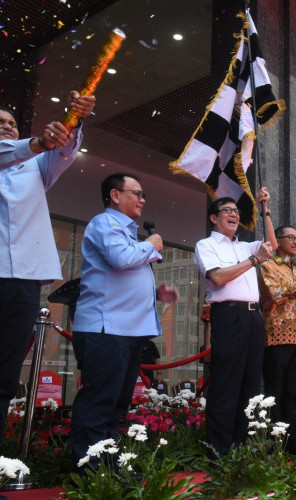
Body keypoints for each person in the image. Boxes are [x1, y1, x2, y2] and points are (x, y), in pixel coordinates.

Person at [0, 92, 95, 439]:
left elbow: (64, 151)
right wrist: (39, 141)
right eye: (1, 123)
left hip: (24, 278)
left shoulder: (35, 164)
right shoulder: (28, 150)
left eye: (12, 123)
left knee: (6, 375)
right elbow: (37, 145)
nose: (8, 127)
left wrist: (75, 119)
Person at [71, 173, 179, 468]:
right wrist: (151, 244)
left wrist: (156, 292)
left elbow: (118, 280)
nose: (143, 200)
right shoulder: (105, 223)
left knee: (117, 403)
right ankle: (90, 469)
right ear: (115, 195)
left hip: (126, 331)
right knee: (100, 400)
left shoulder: (127, 233)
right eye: (138, 193)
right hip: (105, 329)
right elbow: (120, 260)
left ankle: (108, 463)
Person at [194, 190, 276, 456]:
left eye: (236, 211)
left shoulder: (243, 245)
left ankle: (242, 445)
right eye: (227, 210)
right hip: (228, 315)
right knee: (226, 382)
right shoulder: (206, 245)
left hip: (253, 316)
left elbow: (271, 248)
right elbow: (218, 277)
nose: (234, 214)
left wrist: (265, 211)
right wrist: (253, 260)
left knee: (250, 383)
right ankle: (218, 449)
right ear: (213, 217)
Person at [258, 225, 296, 457]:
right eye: (291, 238)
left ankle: (295, 440)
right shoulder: (268, 266)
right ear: (279, 240)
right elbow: (276, 295)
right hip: (277, 336)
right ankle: (275, 441)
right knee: (276, 391)